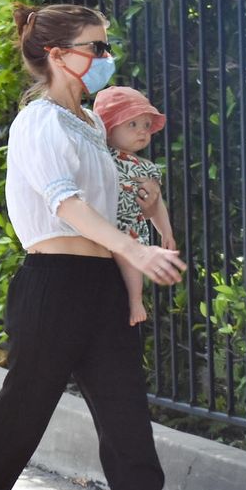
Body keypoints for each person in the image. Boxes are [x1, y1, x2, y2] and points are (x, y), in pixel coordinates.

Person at [0, 3, 238, 490]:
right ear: (55, 54)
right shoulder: (39, 122)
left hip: (99, 290)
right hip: (53, 284)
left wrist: (150, 218)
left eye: (104, 47)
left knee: (127, 423)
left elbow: (113, 206)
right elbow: (65, 204)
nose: (105, 58)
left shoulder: (91, 127)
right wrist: (133, 249)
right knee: (20, 420)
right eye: (95, 48)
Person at [94, 85, 175, 326]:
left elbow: (157, 203)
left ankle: (135, 300)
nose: (142, 132)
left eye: (147, 126)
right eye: (132, 124)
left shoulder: (147, 167)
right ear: (108, 128)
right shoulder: (101, 157)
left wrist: (166, 232)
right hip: (101, 226)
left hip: (129, 227)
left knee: (131, 259)